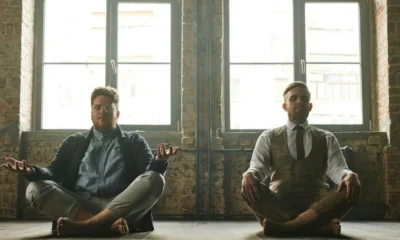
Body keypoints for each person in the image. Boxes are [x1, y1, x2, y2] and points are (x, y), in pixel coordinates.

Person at [2, 86, 181, 237]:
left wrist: (159, 161)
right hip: (80, 204)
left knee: (156, 179)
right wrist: (30, 172)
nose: (102, 111)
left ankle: (87, 226)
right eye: (97, 107)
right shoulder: (74, 142)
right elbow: (53, 172)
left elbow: (147, 173)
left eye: (108, 108)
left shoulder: (134, 140)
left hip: (120, 206)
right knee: (34, 188)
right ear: (91, 112)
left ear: (117, 113)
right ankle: (105, 226)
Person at [241, 81, 361, 237]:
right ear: (284, 106)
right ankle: (316, 227)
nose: (299, 101)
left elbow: (336, 169)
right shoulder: (268, 137)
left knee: (352, 186)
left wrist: (348, 175)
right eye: (293, 98)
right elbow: (258, 167)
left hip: (318, 203)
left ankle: (287, 227)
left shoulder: (326, 137)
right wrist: (250, 174)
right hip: (279, 203)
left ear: (310, 106)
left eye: (304, 99)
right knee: (247, 185)